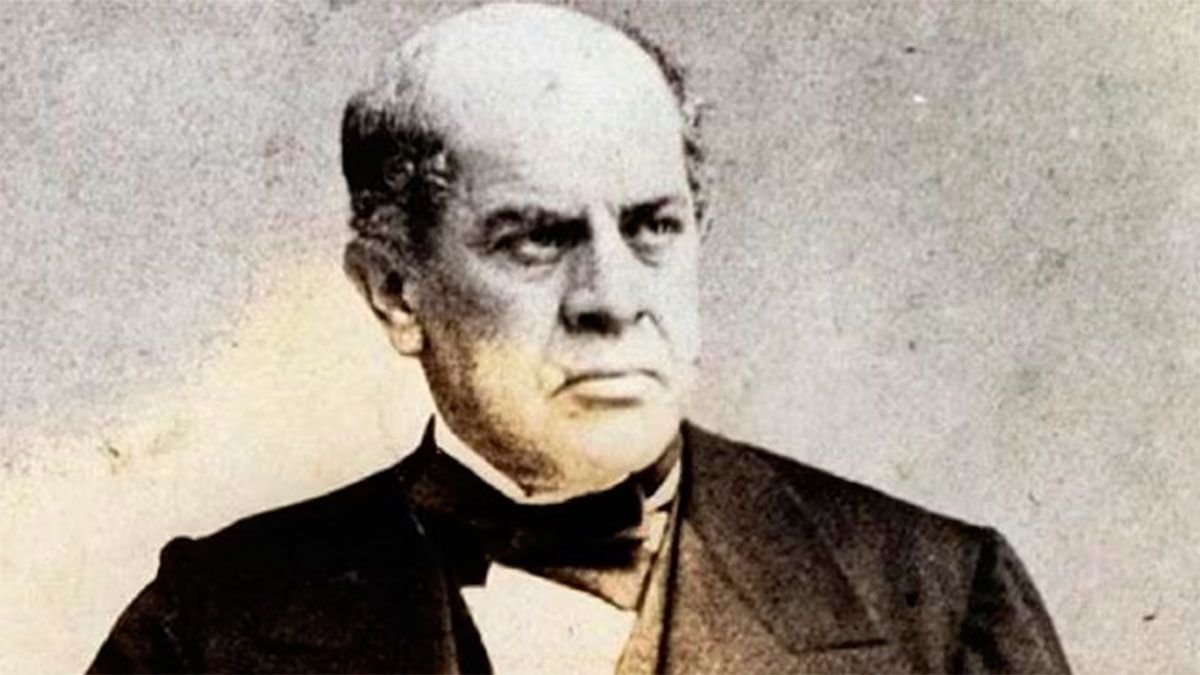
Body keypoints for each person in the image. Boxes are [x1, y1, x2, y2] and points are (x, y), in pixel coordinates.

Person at [89, 4, 1069, 673]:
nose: (613, 299)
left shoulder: (939, 606)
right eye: (536, 238)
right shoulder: (207, 627)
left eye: (653, 227)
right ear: (394, 290)